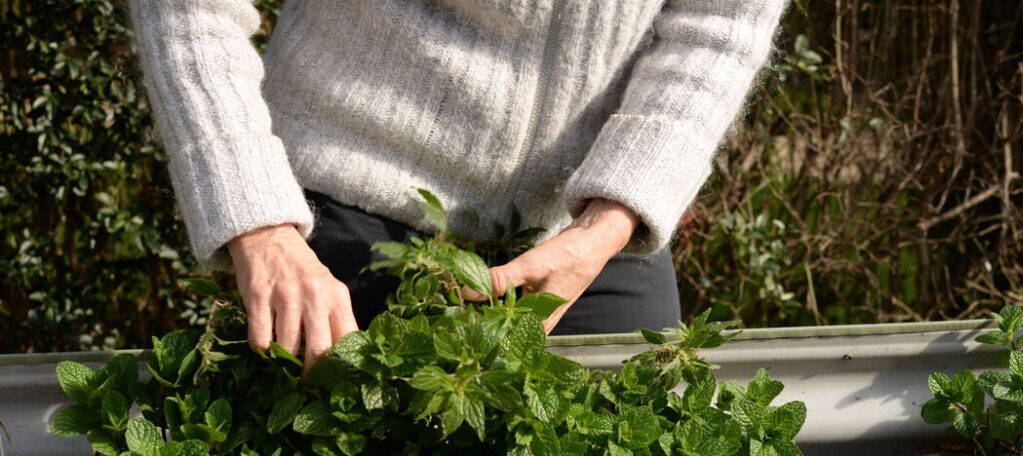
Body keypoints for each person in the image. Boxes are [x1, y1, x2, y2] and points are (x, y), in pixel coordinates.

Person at [127, 0, 790, 369]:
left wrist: (607, 224)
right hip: (332, 217)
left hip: (584, 235)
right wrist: (259, 225)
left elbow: (723, 23)